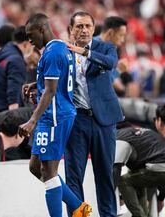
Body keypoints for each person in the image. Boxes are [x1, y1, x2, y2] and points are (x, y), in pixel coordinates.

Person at [19, 13, 91, 217]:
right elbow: (58, 81)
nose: (29, 39)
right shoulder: (61, 47)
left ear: (41, 29)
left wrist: (31, 121)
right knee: (35, 167)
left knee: (49, 173)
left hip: (54, 117)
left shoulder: (51, 53)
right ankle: (78, 206)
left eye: (30, 34)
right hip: (55, 113)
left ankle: (74, 210)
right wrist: (38, 83)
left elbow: (51, 91)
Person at [65, 11, 123, 217]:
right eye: (79, 26)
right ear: (71, 30)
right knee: (73, 175)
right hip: (76, 120)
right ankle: (77, 214)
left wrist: (84, 53)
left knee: (105, 174)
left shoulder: (106, 48)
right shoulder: (63, 52)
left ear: (94, 28)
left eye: (88, 26)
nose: (84, 30)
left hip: (104, 121)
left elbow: (110, 64)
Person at [114, 122, 165, 217]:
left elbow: (116, 169)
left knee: (123, 181)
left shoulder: (119, 136)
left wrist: (112, 195)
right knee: (136, 182)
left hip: (162, 167)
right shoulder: (142, 132)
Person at [0, 26, 31, 121]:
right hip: (1, 120)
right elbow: (13, 98)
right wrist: (15, 123)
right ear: (26, 44)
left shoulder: (2, 55)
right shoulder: (16, 60)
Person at [97, 16, 128, 96]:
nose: (123, 40)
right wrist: (118, 70)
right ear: (110, 33)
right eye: (121, 35)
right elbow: (100, 84)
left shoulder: (108, 49)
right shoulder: (95, 49)